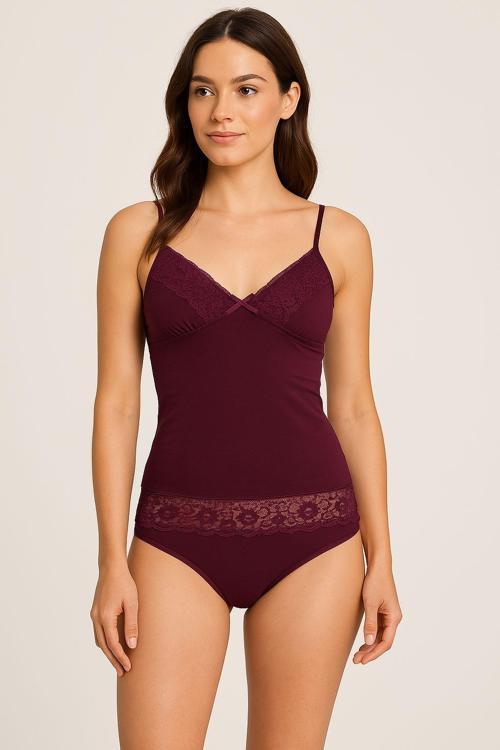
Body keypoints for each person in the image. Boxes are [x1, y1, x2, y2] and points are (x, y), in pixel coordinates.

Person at [90, 8, 402, 749]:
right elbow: (117, 403)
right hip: (174, 540)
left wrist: (383, 558)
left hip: (316, 539)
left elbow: (353, 407)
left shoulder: (339, 237)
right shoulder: (139, 232)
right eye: (203, 91)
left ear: (290, 99)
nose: (221, 111)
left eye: (246, 89)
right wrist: (110, 561)